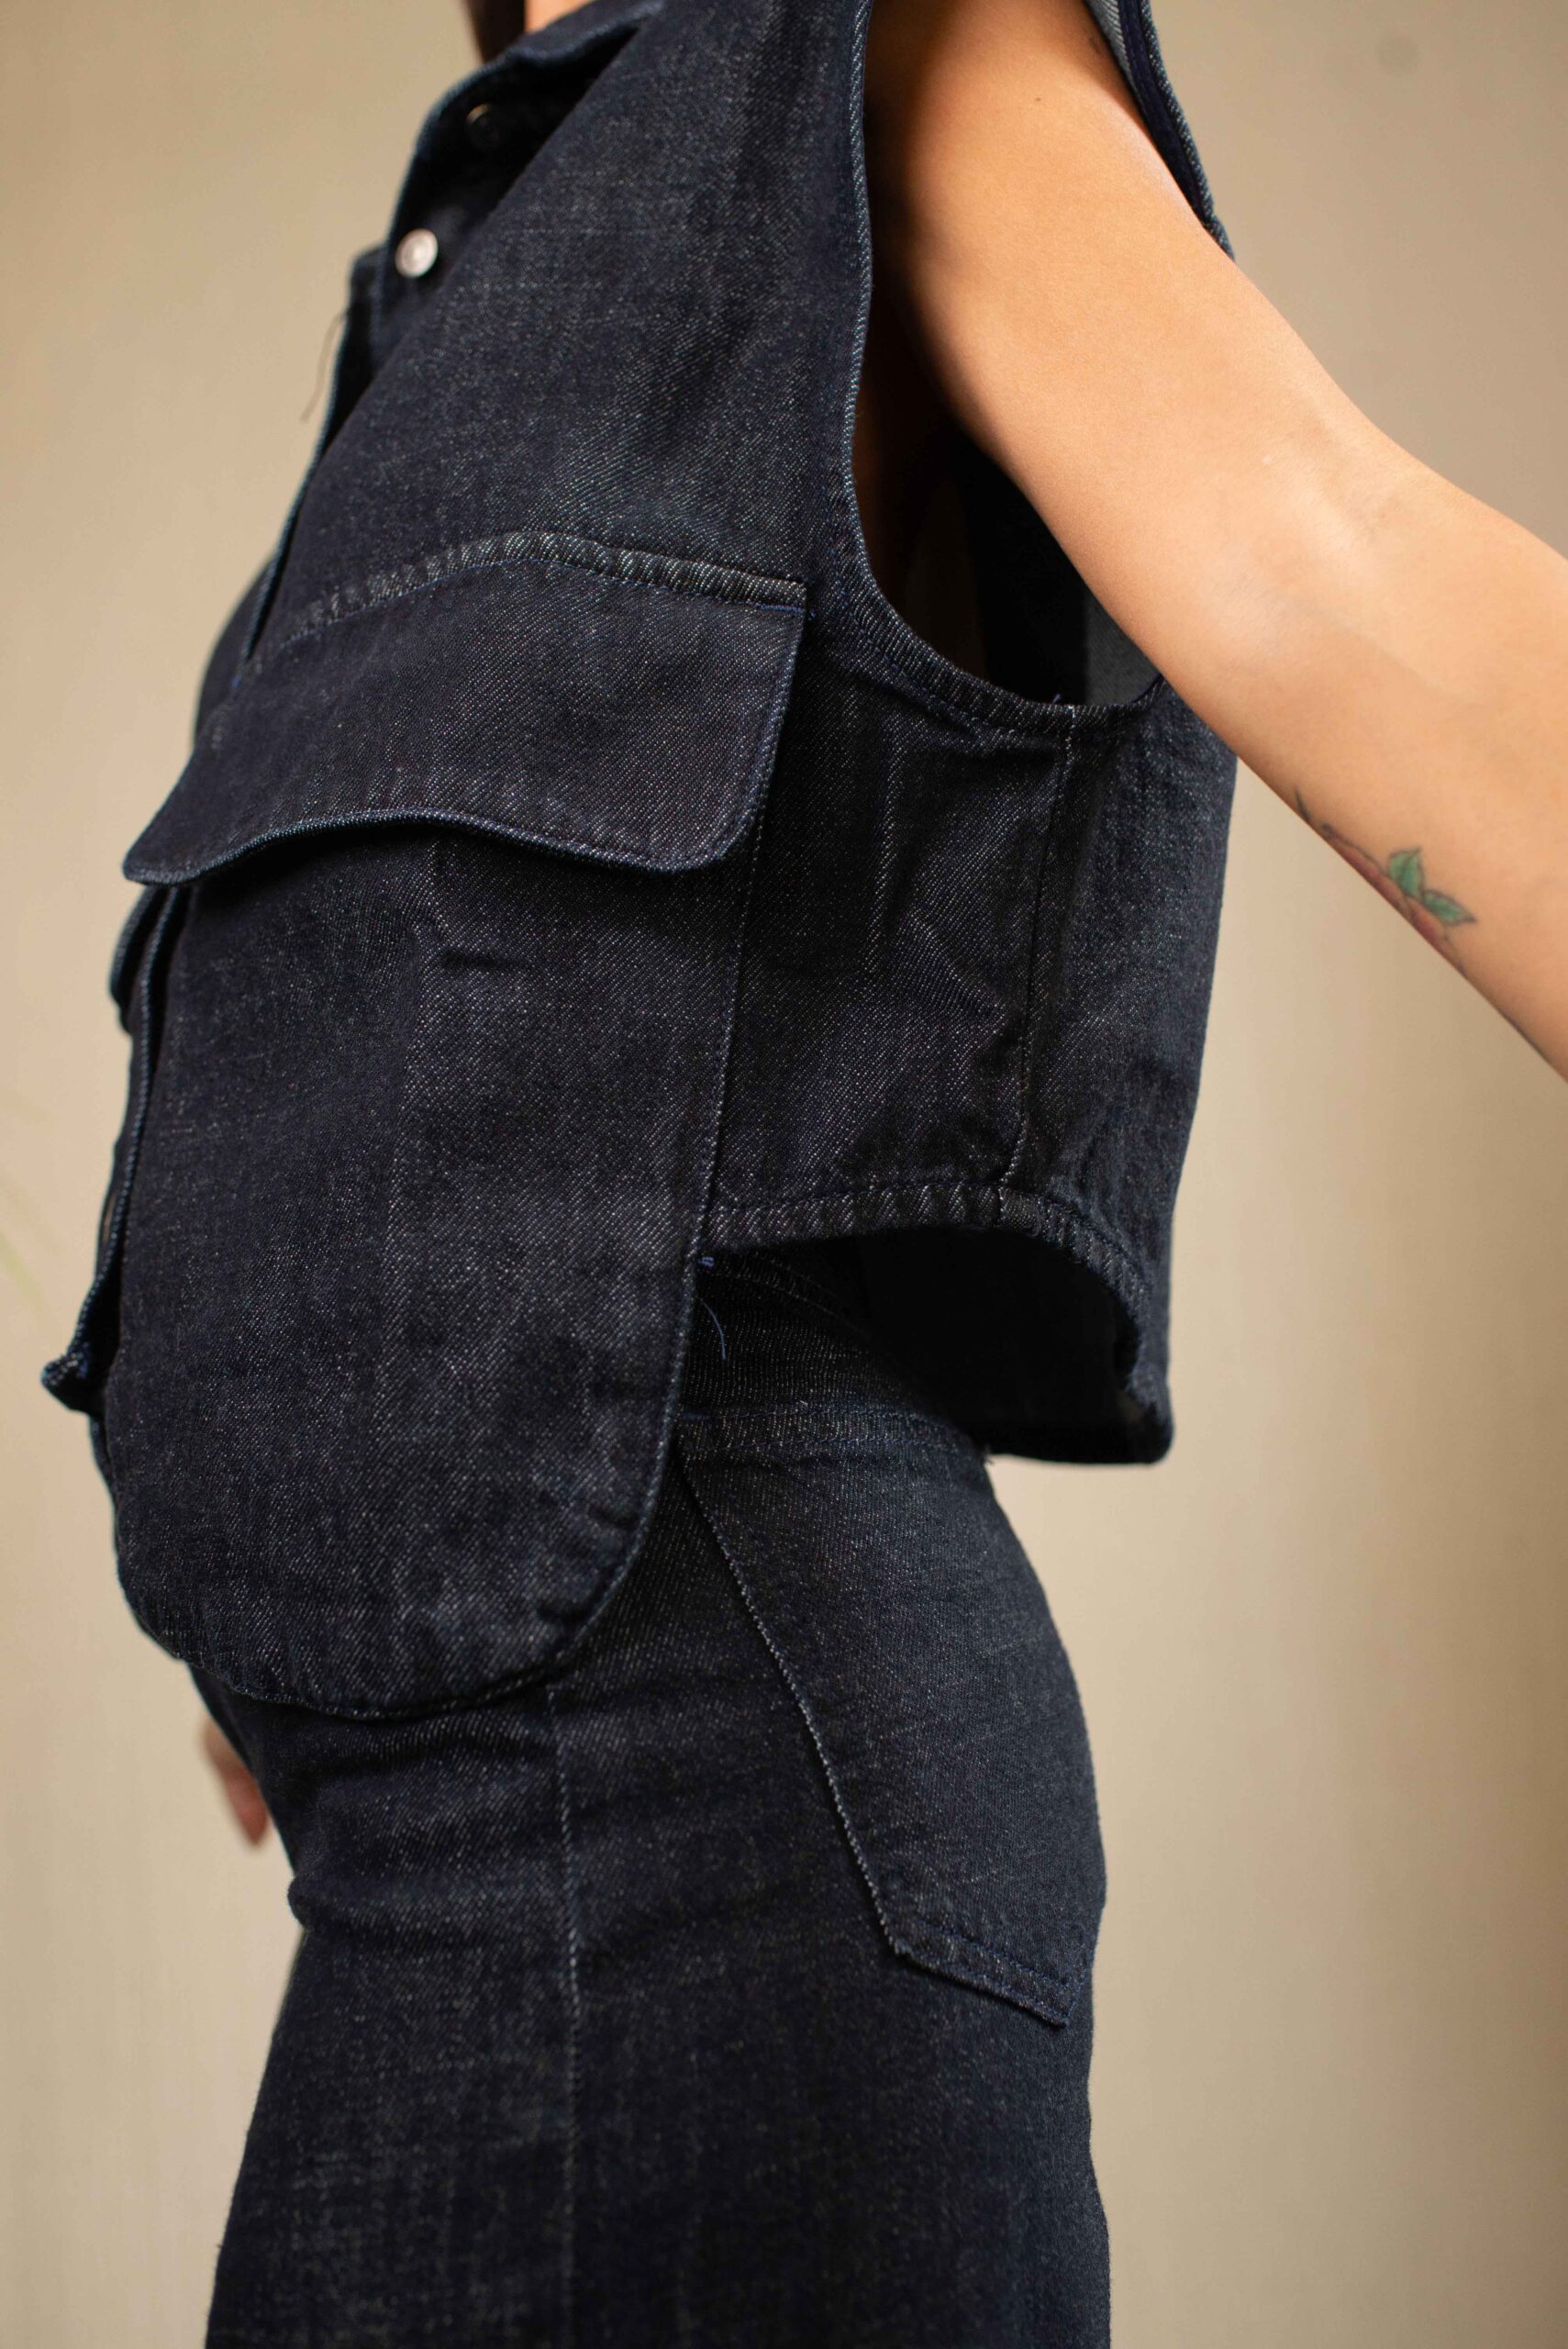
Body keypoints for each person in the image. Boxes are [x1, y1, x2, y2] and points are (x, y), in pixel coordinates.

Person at [47, 1, 1566, 2342]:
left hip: (711, 1814)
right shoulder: (474, 277)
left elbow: (1352, 582)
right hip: (428, 1845)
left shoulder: (865, 55)